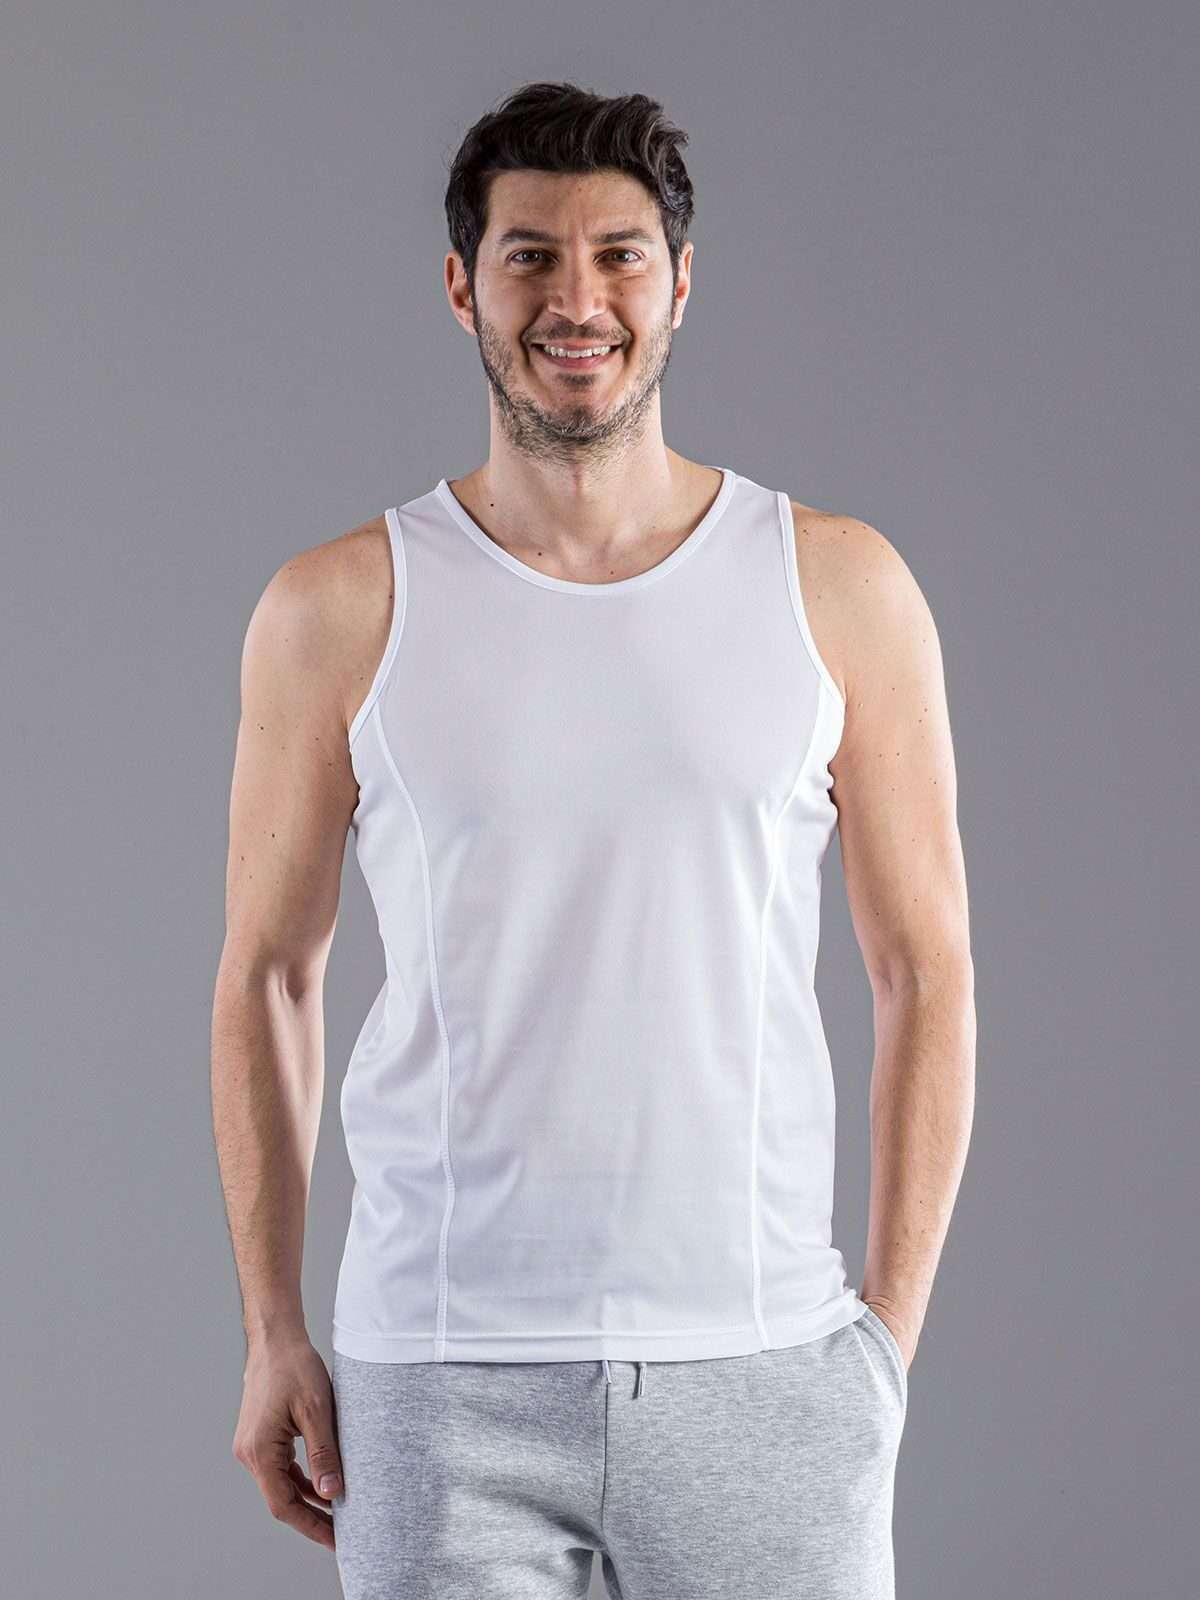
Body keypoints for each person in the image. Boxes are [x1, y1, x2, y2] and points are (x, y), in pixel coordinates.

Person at [211, 79, 975, 1600]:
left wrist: (883, 1346)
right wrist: (271, 1326)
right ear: (462, 287)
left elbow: (927, 969)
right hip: (440, 1375)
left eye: (620, 255)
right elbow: (268, 978)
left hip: (767, 1365)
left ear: (680, 283)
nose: (578, 300)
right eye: (531, 257)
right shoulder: (339, 608)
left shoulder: (837, 586)